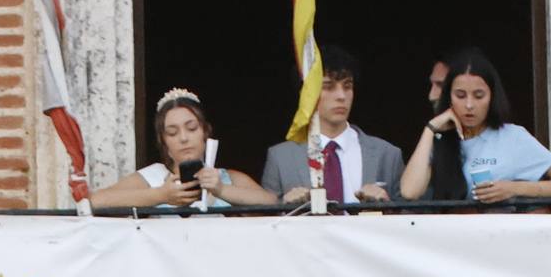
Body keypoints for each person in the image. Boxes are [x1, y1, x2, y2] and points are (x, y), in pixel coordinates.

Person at [399, 48, 551, 203]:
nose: (469, 105)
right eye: (460, 96)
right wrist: (430, 128)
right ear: (449, 97)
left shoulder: (513, 137)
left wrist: (514, 189)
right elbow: (409, 192)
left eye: (479, 96)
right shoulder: (439, 138)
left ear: (492, 97)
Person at [260, 47, 403, 204]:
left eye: (347, 86)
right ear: (305, 93)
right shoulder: (281, 157)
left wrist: (387, 204)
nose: (341, 96)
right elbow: (266, 222)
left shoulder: (388, 154)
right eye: (328, 87)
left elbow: (411, 218)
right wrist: (284, 207)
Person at [91, 88, 273, 210]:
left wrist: (221, 190)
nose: (184, 138)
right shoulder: (151, 178)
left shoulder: (227, 178)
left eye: (192, 128)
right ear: (164, 143)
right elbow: (94, 202)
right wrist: (160, 195)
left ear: (205, 133)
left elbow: (273, 203)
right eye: (172, 132)